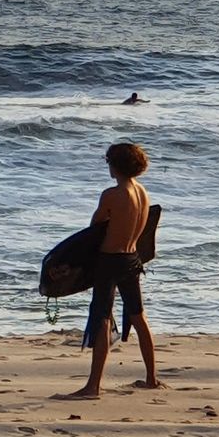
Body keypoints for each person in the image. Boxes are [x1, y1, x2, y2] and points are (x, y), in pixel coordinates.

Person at [54, 142, 160, 400]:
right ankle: (151, 379)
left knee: (101, 318)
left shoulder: (112, 194)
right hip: (132, 259)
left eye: (109, 162)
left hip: (110, 261)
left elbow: (94, 227)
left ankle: (92, 387)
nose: (108, 167)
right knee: (138, 316)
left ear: (115, 165)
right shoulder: (142, 192)